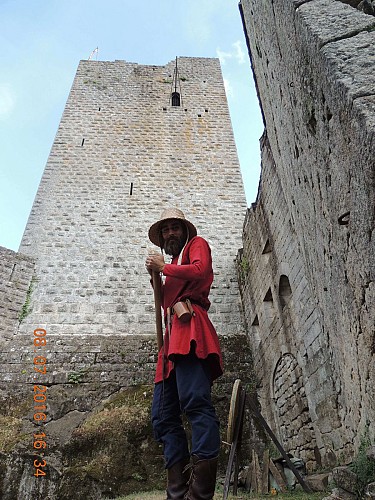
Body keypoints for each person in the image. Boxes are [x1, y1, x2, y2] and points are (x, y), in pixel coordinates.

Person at [145, 207, 223, 500]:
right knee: (162, 416)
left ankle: (199, 494)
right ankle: (176, 492)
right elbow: (166, 300)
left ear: (184, 229)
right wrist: (156, 277)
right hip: (170, 341)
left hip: (190, 331)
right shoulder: (173, 262)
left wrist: (163, 269)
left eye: (174, 228)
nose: (169, 234)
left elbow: (201, 270)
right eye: (165, 230)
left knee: (196, 403)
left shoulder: (197, 244)